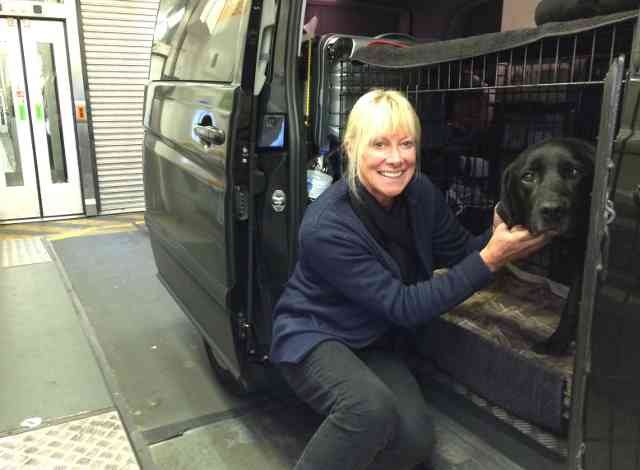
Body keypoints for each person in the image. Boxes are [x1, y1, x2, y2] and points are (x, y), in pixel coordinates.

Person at [270, 89, 550, 470]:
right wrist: (492, 258)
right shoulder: (326, 227)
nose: (396, 158)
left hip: (373, 340)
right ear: (351, 149)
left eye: (406, 144)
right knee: (368, 410)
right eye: (380, 144)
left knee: (414, 441)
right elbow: (404, 307)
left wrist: (501, 232)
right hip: (316, 336)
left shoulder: (419, 193)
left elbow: (459, 252)